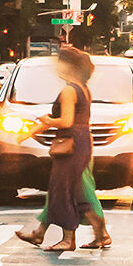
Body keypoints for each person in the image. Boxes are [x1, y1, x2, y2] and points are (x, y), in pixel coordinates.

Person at [16, 47, 111, 252]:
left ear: (69, 66)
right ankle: (42, 233)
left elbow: (66, 121)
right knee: (71, 189)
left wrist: (47, 121)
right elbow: (73, 119)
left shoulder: (69, 90)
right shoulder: (82, 88)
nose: (57, 67)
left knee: (63, 189)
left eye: (60, 62)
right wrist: (34, 129)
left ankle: (68, 240)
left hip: (71, 143)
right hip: (81, 141)